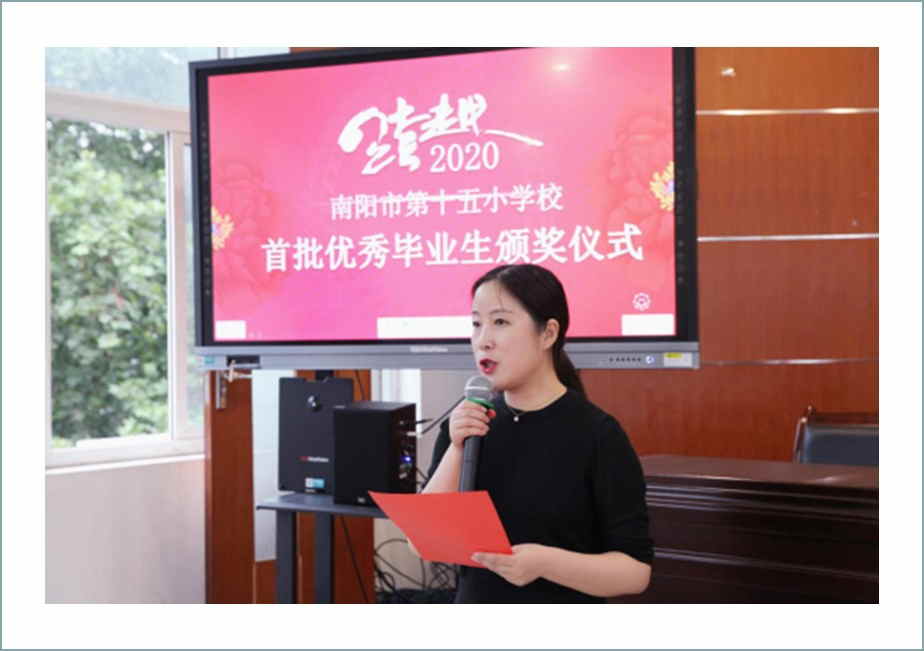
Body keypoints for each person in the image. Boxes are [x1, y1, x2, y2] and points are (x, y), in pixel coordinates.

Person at [421, 263, 653, 603]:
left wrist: (544, 563)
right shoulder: (466, 425)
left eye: (500, 322)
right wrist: (456, 449)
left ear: (548, 334)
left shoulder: (597, 434)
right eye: (476, 324)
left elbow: (635, 572)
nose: (483, 340)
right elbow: (423, 541)